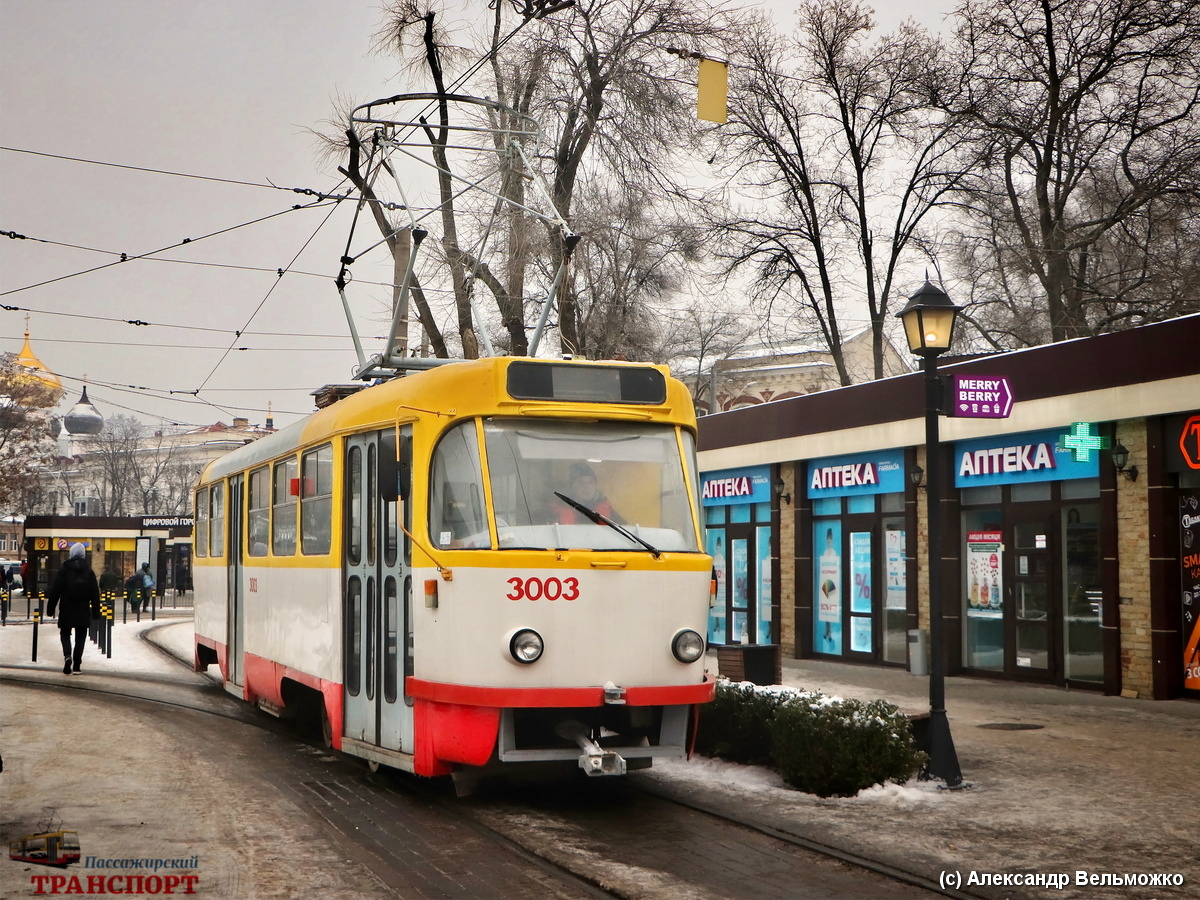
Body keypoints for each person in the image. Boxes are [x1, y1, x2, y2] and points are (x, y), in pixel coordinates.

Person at [46, 543, 100, 675]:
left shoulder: (64, 570)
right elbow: (95, 593)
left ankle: (67, 656)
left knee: (65, 634)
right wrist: (96, 612)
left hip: (66, 607)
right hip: (83, 608)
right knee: (80, 637)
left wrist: (50, 608)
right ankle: (76, 665)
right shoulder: (89, 571)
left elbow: (55, 590)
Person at [556, 463, 622, 524]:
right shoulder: (558, 510)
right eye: (581, 482)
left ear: (595, 485)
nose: (586, 487)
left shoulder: (610, 512)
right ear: (572, 486)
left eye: (590, 482)